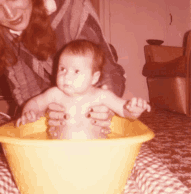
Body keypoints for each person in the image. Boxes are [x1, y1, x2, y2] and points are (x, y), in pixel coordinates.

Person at [0, 0, 126, 133]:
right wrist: (36, 114)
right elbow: (24, 95)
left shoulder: (73, 4)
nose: (10, 14)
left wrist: (104, 109)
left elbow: (107, 70)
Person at [18, 40, 151, 139]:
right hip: (59, 151)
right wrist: (29, 112)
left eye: (76, 71)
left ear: (94, 78)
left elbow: (123, 109)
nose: (66, 76)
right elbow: (35, 103)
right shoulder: (55, 94)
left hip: (94, 151)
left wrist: (133, 109)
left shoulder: (102, 96)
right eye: (62, 69)